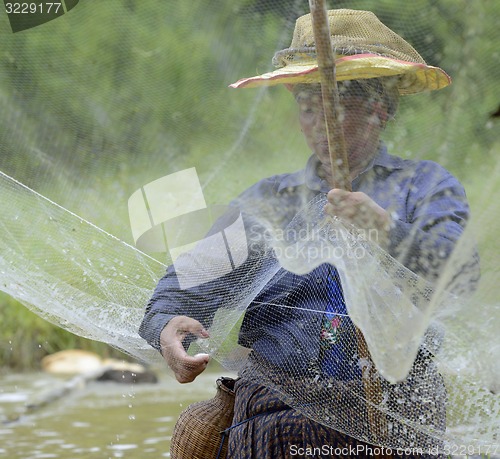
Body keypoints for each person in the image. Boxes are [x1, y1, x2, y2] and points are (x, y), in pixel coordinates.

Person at [140, 9, 477, 458]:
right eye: (307, 104)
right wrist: (168, 325)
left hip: (397, 418)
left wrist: (383, 228)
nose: (320, 119)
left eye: (339, 101)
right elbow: (183, 286)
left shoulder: (426, 188)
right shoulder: (267, 202)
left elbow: (459, 273)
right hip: (276, 422)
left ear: (383, 108)